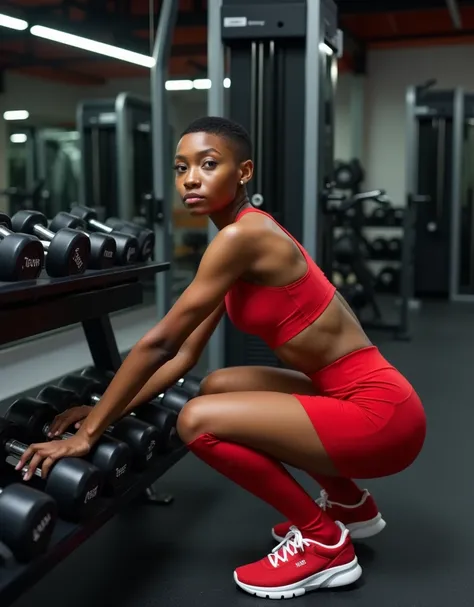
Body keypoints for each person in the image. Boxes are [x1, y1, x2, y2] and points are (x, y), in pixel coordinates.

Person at [16, 116, 426, 599]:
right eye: (181, 167)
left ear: (244, 171)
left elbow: (159, 343)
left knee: (197, 420)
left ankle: (324, 543)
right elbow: (185, 356)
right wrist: (107, 409)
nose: (191, 178)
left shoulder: (242, 237)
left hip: (382, 417)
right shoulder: (235, 240)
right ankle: (349, 506)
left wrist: (88, 436)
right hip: (359, 395)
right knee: (218, 386)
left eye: (209, 165)